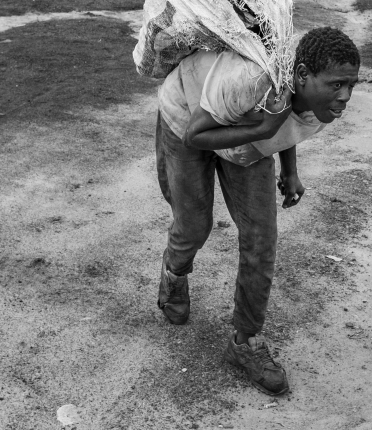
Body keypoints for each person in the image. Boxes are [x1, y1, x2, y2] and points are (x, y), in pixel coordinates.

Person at [154, 26, 361, 396]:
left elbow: (290, 118)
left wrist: (290, 170)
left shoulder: (324, 105)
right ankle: (174, 275)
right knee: (194, 225)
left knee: (261, 238)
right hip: (188, 115)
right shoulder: (253, 82)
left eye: (351, 85)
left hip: (247, 129)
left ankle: (245, 342)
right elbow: (196, 135)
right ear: (302, 75)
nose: (345, 96)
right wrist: (264, 126)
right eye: (336, 84)